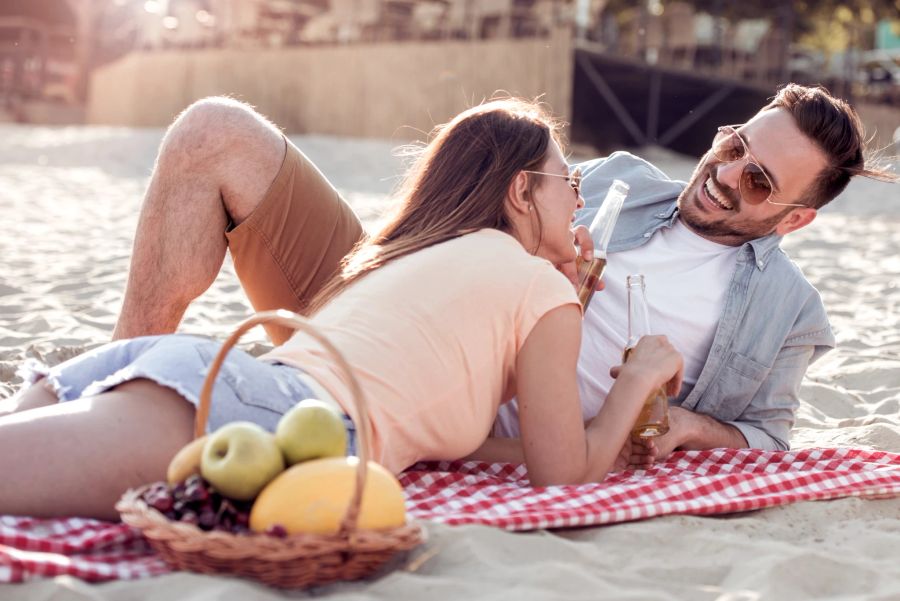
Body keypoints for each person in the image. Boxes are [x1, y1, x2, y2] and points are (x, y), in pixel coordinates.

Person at [0, 99, 683, 520]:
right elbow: (561, 475)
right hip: (271, 414)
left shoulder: (422, 254)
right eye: (569, 181)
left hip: (204, 373)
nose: (581, 200)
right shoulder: (546, 292)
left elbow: (480, 437)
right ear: (522, 193)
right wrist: (636, 377)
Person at [491, 83, 896, 468]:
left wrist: (690, 424)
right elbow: (484, 219)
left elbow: (769, 438)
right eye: (733, 146)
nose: (725, 174)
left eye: (758, 182)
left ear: (793, 219)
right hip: (467, 397)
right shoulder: (615, 180)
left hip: (562, 458)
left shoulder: (791, 310)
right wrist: (533, 261)